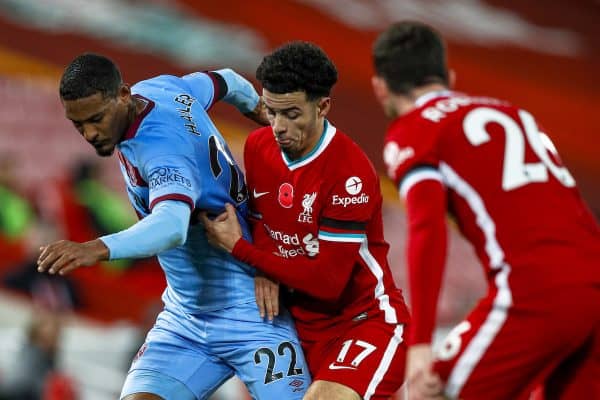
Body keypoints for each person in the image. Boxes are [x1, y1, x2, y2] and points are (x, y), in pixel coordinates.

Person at [37, 53, 310, 400]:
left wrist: (95, 248)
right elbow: (229, 79)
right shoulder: (162, 89)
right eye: (78, 124)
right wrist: (258, 113)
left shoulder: (161, 149)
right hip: (185, 319)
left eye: (96, 119)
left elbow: (171, 225)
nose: (89, 133)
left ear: (123, 95)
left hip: (252, 311)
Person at [371, 21, 600, 400]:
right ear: (449, 77)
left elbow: (428, 228)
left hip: (534, 291)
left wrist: (420, 343)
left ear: (381, 88)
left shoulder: (414, 130)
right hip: (592, 287)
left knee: (434, 389)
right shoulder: (516, 114)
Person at [201, 42, 410, 400]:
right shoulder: (258, 146)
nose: (278, 127)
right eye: (271, 111)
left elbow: (327, 282)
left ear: (323, 106)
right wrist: (266, 268)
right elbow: (263, 220)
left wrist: (241, 249)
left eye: (292, 114)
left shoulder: (349, 172)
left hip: (363, 322)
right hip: (295, 328)